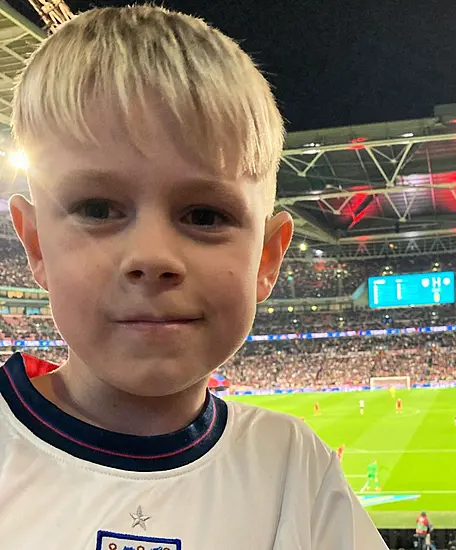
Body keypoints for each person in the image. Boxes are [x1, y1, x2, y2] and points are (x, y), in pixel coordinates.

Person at [0, 6, 387, 549]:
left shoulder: (296, 473)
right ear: (36, 243)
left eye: (205, 216)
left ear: (267, 260)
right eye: (97, 208)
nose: (152, 256)